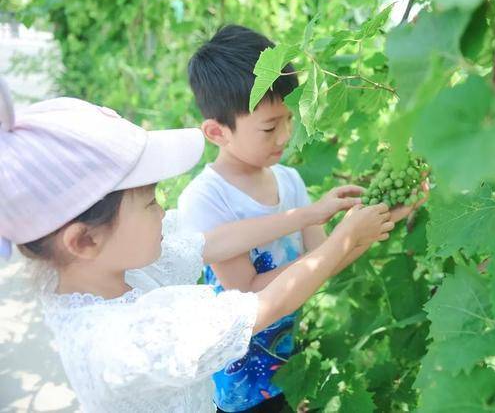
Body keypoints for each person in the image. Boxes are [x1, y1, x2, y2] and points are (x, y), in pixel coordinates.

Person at [0, 78, 393, 412]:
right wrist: (345, 239)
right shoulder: (126, 339)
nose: (164, 209)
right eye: (151, 201)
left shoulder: (104, 273)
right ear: (84, 239)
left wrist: (309, 214)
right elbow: (263, 306)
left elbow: (209, 242)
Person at [179, 25, 426, 412]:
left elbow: (324, 262)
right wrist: (335, 231)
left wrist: (374, 223)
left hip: (285, 361)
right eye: (268, 127)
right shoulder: (205, 199)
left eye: (288, 120)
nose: (284, 136)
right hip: (238, 379)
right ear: (216, 132)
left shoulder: (289, 181)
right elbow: (250, 295)